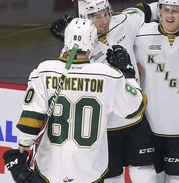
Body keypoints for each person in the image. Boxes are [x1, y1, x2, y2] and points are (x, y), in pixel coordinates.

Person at [2, 18, 146, 183]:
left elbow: (30, 123)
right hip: (90, 173)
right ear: (92, 41)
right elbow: (135, 108)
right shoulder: (108, 75)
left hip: (51, 170)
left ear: (67, 39)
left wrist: (22, 150)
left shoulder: (44, 70)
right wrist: (127, 75)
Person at [50, 0, 158, 183]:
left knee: (145, 173)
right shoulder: (77, 47)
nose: (104, 20)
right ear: (84, 18)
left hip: (134, 116)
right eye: (96, 16)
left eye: (105, 13)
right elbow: (69, 79)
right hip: (104, 125)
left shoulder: (124, 21)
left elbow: (152, 9)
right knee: (111, 177)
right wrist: (69, 42)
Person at [132, 0, 179, 183]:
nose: (170, 15)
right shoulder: (142, 34)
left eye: (176, 10)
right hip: (150, 127)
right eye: (166, 9)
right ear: (159, 10)